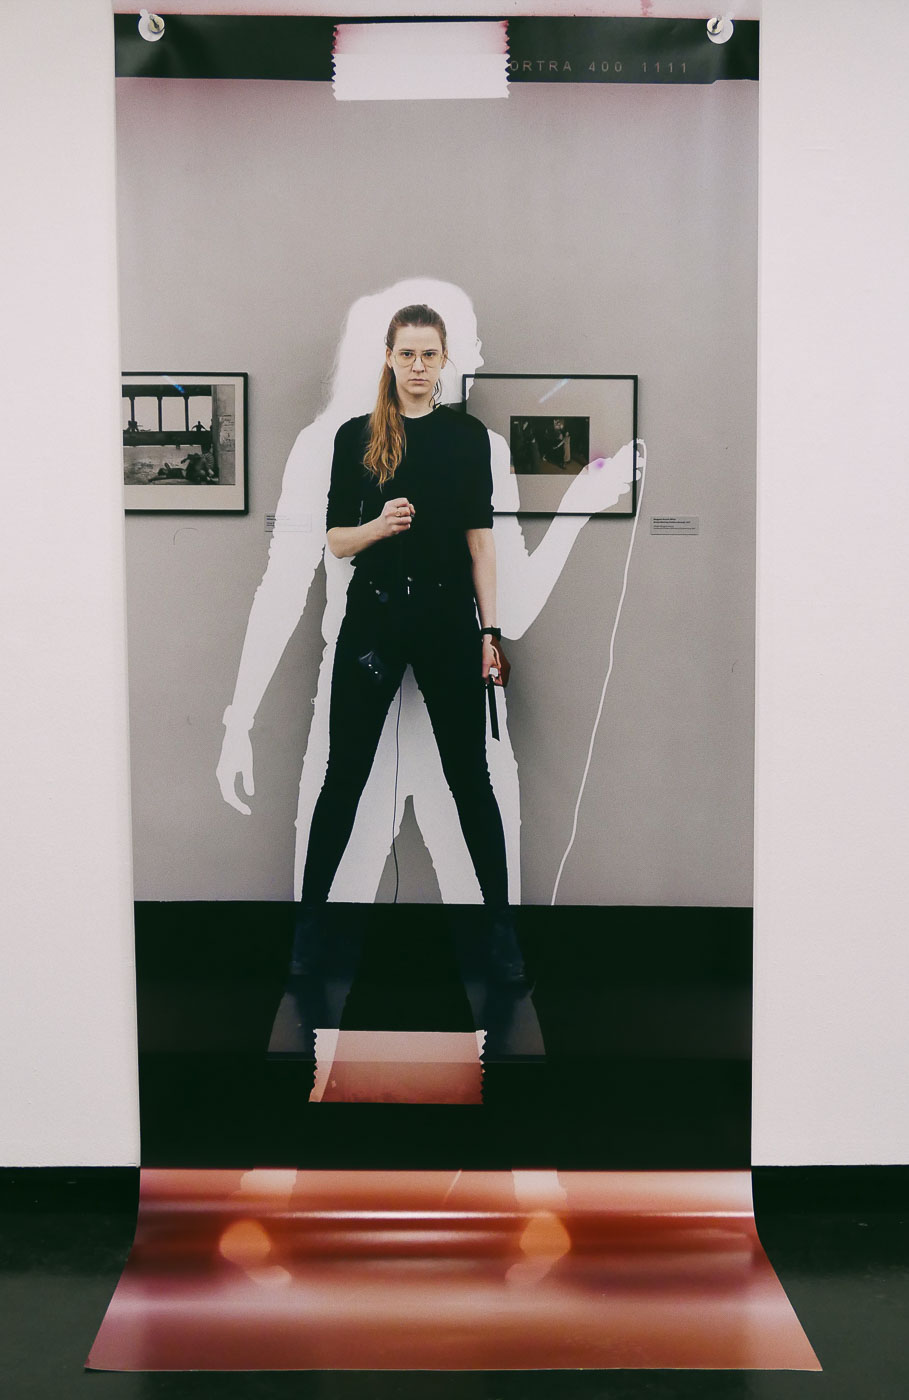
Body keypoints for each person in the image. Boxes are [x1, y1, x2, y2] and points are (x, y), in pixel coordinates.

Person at [290, 302, 525, 983]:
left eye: (428, 354)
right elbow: (337, 541)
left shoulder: (466, 438)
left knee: (470, 778)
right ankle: (308, 931)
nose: (418, 366)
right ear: (389, 358)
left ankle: (502, 934)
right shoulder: (356, 436)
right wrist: (378, 528)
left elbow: (480, 545)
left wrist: (489, 634)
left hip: (449, 623)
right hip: (374, 622)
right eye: (406, 354)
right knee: (343, 775)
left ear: (443, 360)